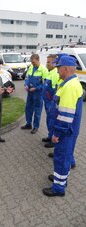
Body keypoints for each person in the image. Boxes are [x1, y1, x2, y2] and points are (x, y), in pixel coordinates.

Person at [43, 55, 83, 197]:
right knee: (64, 158)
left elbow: (66, 116)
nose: (58, 71)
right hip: (69, 131)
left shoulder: (70, 87)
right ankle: (61, 180)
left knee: (61, 158)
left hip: (65, 132)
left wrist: (56, 134)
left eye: (59, 68)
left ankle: (58, 188)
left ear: (65, 69)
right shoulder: (69, 83)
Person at [21, 54, 48, 134]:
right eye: (32, 62)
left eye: (34, 62)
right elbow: (27, 78)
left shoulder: (44, 70)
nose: (33, 64)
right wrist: (26, 84)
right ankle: (28, 124)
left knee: (37, 110)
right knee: (28, 108)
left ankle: (36, 127)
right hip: (30, 92)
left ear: (38, 60)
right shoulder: (31, 67)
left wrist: (36, 88)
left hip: (38, 94)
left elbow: (45, 84)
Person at [42, 54, 59, 148]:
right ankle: (49, 136)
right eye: (46, 62)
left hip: (51, 103)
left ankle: (53, 141)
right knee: (49, 120)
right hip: (47, 102)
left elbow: (54, 92)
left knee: (52, 121)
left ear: (54, 63)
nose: (47, 64)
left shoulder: (55, 74)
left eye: (48, 62)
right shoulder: (49, 72)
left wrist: (52, 105)